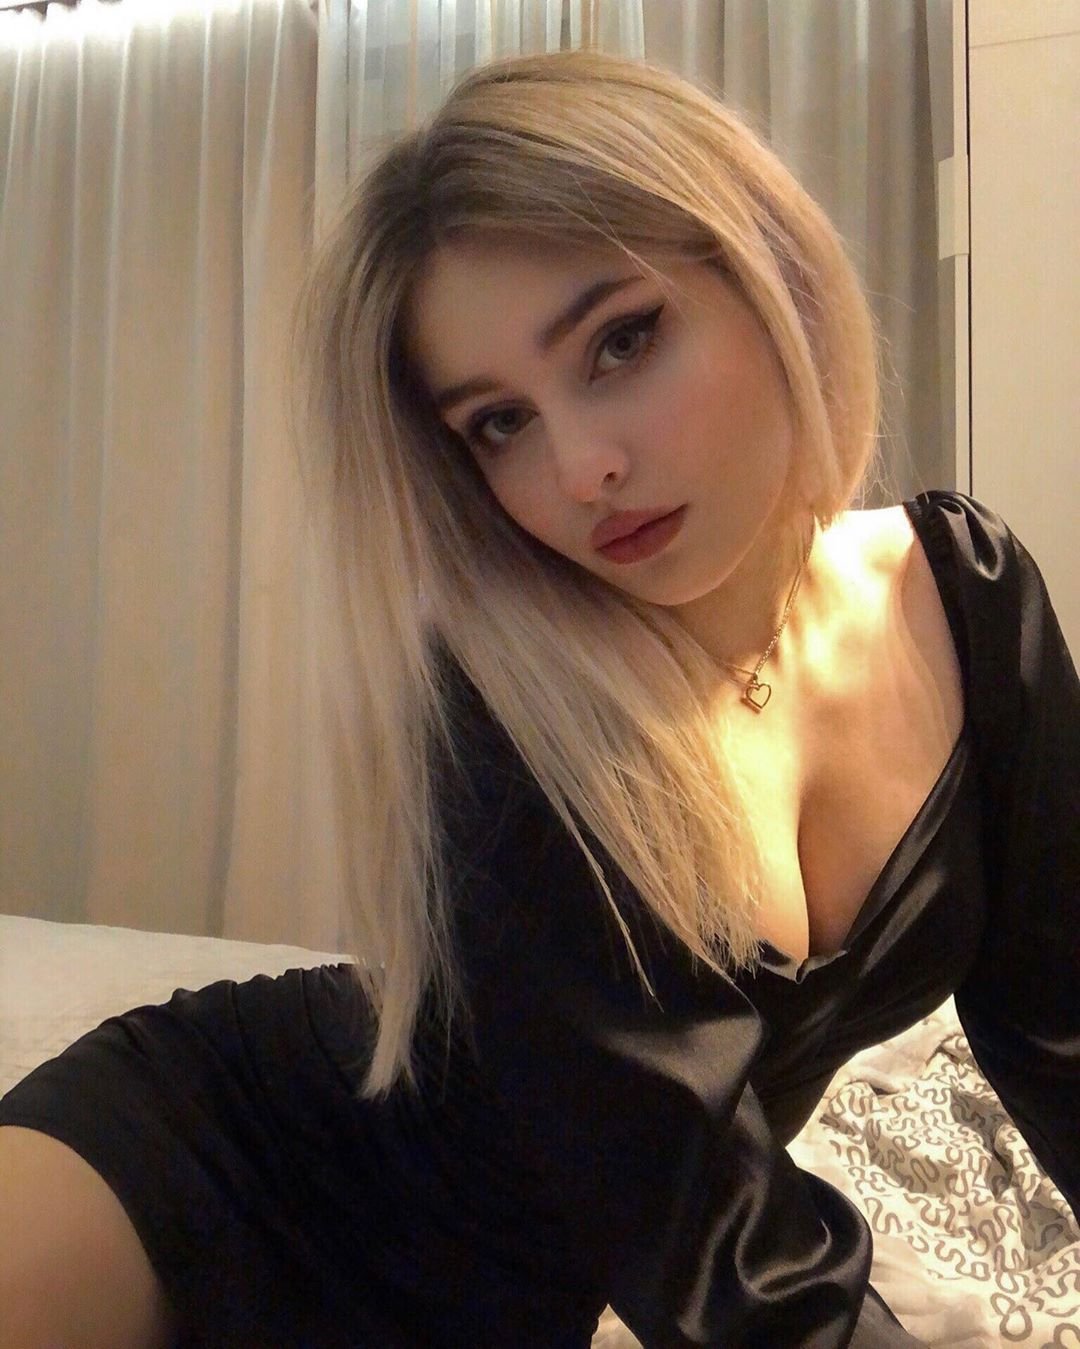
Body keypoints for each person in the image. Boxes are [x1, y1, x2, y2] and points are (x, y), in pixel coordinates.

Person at [1, 48, 1076, 1349]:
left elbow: (1061, 1026)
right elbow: (737, 1277)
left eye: (622, 341)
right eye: (498, 423)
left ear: (771, 271)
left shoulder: (962, 596)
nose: (582, 468)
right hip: (224, 1160)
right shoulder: (504, 715)